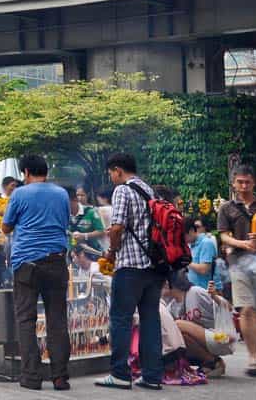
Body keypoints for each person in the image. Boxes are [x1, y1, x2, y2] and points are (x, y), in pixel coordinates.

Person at [1, 154, 71, 391]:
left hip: (26, 265)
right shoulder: (61, 194)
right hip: (56, 262)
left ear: (27, 172)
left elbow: (6, 227)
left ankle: (32, 376)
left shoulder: (19, 194)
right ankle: (60, 377)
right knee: (58, 321)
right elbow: (64, 223)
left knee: (26, 320)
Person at [95, 153, 163, 390]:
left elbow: (117, 228)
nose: (111, 178)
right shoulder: (149, 190)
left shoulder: (123, 190)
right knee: (150, 319)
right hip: (155, 267)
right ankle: (153, 375)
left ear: (118, 170)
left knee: (121, 319)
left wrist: (112, 251)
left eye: (111, 173)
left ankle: (120, 374)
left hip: (131, 265)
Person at [217, 164, 256, 376]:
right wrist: (241, 244)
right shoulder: (226, 208)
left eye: (247, 182)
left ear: (254, 183)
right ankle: (252, 357)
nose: (244, 186)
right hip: (238, 263)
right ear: (233, 183)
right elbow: (223, 235)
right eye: (240, 182)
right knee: (246, 309)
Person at [163, 270, 228, 378]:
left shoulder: (195, 292)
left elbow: (228, 307)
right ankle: (211, 363)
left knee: (178, 325)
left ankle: (212, 361)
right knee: (175, 336)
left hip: (222, 338)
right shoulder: (172, 307)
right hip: (205, 341)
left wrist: (215, 296)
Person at [68, 186, 106, 251]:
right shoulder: (63, 215)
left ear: (75, 200)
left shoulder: (91, 212)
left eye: (82, 195)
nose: (80, 197)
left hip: (91, 252)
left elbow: (101, 231)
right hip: (71, 252)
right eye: (78, 195)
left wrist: (84, 236)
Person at [184, 216, 216, 289]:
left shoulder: (206, 243)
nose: (183, 239)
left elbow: (204, 269)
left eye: (184, 235)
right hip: (194, 290)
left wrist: (186, 262)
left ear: (192, 230)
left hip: (206, 290)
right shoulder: (189, 245)